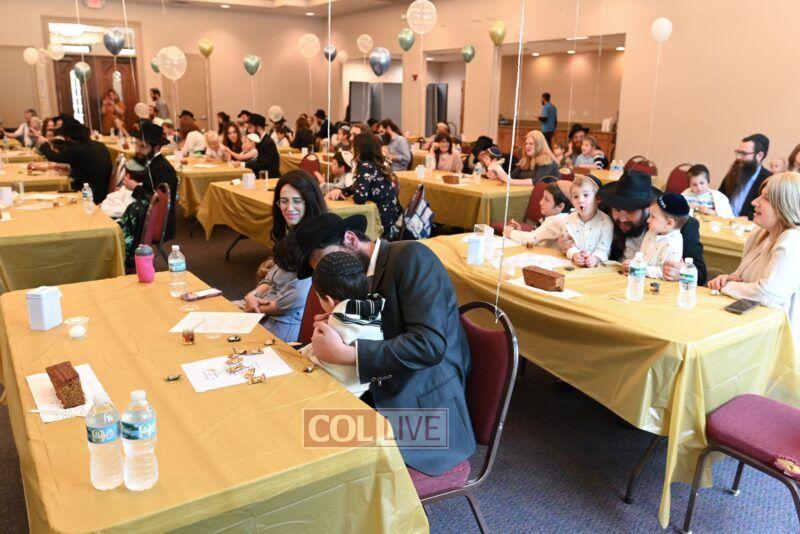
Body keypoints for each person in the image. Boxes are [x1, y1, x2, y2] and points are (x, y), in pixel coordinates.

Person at [293, 213, 476, 476]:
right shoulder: (357, 276)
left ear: (351, 240)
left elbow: (428, 346)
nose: (327, 274)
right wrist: (342, 323)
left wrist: (347, 353)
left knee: (311, 440)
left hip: (426, 412)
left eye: (330, 262)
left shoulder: (413, 257)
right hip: (380, 388)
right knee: (294, 416)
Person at [709, 172, 800, 339]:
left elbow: (769, 294)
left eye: (766, 198)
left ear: (785, 205)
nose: (754, 202)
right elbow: (742, 279)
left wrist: (727, 287)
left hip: (778, 338)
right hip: (752, 326)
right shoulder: (760, 233)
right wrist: (728, 279)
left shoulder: (793, 240)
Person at [242, 171, 327, 342]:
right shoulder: (293, 233)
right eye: (284, 201)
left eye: (297, 201)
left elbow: (297, 297)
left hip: (285, 324)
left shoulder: (317, 243)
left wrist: (256, 307)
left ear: (310, 202)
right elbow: (271, 277)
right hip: (266, 311)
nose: (289, 208)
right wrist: (253, 295)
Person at [596, 170, 708, 285]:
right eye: (617, 210)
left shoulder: (683, 227)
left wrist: (682, 273)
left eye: (631, 212)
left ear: (647, 208)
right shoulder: (605, 213)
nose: (622, 219)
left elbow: (701, 274)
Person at [300, 251, 384, 396]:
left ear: (329, 300)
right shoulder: (374, 309)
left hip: (332, 388)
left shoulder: (337, 320)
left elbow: (317, 352)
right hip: (362, 389)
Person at [328, 133, 401, 239]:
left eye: (354, 146)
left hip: (381, 223)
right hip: (392, 218)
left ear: (360, 149)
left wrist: (351, 192)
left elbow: (360, 198)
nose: (351, 149)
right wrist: (342, 191)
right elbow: (357, 186)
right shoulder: (375, 164)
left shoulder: (365, 166)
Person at [124, 121, 179, 240]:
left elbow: (160, 201)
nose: (137, 150)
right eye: (137, 145)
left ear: (157, 147)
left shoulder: (165, 169)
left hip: (154, 221)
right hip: (142, 212)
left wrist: (135, 188)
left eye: (142, 146)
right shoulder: (147, 160)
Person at [38, 116, 112, 204]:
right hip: (102, 192)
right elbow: (86, 166)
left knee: (52, 196)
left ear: (69, 137)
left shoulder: (77, 149)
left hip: (90, 196)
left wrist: (44, 143)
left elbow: (53, 157)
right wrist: (69, 169)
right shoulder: (100, 145)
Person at [626, 193, 689, 279]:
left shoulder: (673, 244)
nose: (648, 220)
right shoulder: (651, 232)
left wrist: (637, 267)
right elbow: (642, 258)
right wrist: (633, 264)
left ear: (669, 223)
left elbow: (664, 273)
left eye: (653, 217)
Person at [561, 175, 613, 267]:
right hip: (573, 266)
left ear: (597, 198)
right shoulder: (568, 221)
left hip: (597, 269)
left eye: (586, 195)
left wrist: (595, 258)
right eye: (576, 196)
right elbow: (567, 245)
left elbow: (604, 248)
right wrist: (574, 254)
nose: (580, 200)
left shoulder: (606, 222)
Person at [504, 179, 573, 247]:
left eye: (547, 199)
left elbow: (531, 239)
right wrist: (519, 232)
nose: (541, 202)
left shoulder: (555, 220)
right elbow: (538, 237)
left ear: (560, 206)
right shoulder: (562, 217)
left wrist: (510, 232)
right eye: (543, 197)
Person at [719, 133, 772, 220]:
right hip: (724, 221)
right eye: (738, 152)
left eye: (743, 153)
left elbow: (768, 212)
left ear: (759, 155)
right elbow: (720, 196)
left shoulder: (768, 180)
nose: (738, 157)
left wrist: (749, 217)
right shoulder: (735, 171)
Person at [246, 114, 280, 178]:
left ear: (258, 127)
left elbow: (263, 165)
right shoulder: (260, 140)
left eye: (251, 128)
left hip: (269, 179)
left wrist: (245, 164)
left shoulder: (268, 142)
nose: (249, 131)